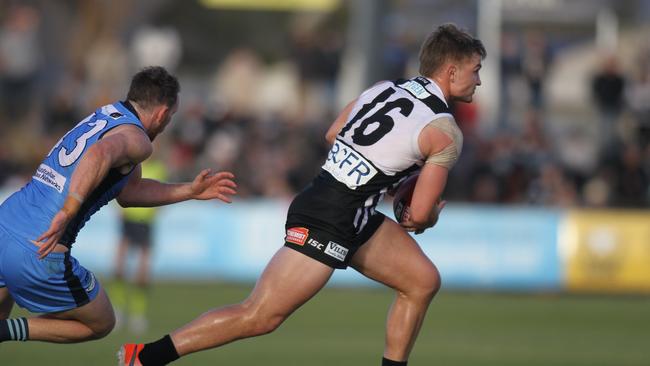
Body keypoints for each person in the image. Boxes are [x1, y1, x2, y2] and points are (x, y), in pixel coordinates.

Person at [120, 23, 485, 366]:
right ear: (451, 72)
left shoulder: (385, 88)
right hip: (332, 216)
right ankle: (145, 358)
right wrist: (424, 210)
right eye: (475, 69)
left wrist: (388, 173)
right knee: (259, 315)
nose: (479, 80)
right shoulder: (445, 130)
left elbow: (333, 134)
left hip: (337, 202)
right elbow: (418, 216)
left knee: (421, 280)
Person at [0, 66, 236, 346]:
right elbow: (100, 153)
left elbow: (130, 192)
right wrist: (69, 209)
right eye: (170, 117)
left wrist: (190, 190)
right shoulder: (138, 140)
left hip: (6, 223)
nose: (167, 124)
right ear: (161, 113)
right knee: (100, 322)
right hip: (40, 245)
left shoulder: (107, 115)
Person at [110, 157, 167, 333]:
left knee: (142, 273)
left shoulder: (160, 168)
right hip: (128, 220)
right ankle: (117, 311)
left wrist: (154, 210)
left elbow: (161, 193)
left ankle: (137, 314)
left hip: (146, 223)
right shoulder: (131, 165)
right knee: (119, 268)